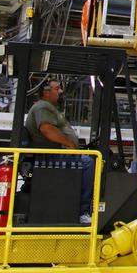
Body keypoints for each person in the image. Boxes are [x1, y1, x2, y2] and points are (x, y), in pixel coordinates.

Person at [25, 78, 95, 226]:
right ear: (46, 92)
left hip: (52, 155)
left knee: (87, 160)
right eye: (57, 89)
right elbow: (46, 129)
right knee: (87, 163)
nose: (61, 92)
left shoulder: (48, 108)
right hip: (50, 157)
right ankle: (83, 212)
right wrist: (70, 145)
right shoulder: (43, 107)